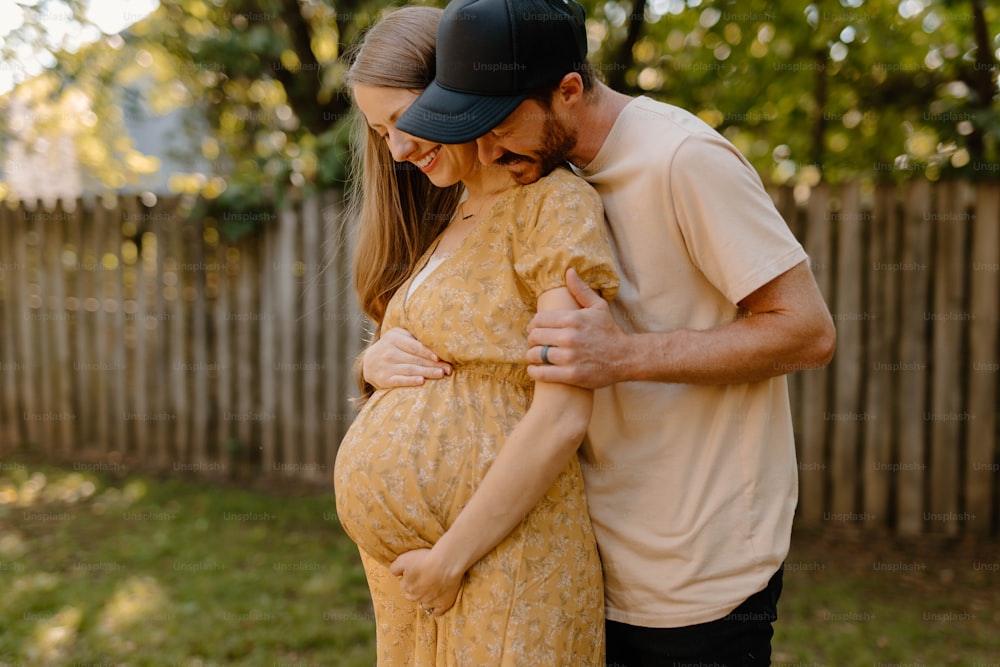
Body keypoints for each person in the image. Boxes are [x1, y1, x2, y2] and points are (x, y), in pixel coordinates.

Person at [362, 0, 838, 665]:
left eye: (498, 126)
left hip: (694, 565)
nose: (487, 150)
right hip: (589, 549)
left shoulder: (681, 158)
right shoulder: (541, 178)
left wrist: (625, 355)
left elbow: (808, 331)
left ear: (569, 91)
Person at [332, 6, 619, 665]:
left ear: (458, 92)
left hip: (498, 557)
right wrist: (373, 359)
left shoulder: (552, 205)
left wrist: (450, 557)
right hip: (414, 581)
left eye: (402, 121)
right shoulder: (441, 211)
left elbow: (562, 414)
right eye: (381, 133)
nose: (398, 149)